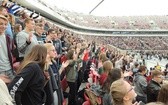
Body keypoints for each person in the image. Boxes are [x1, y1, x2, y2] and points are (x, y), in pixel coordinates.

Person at [0, 15, 15, 80]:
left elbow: (12, 53)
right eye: (1, 24)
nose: (4, 26)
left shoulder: (8, 38)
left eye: (5, 24)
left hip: (9, 69)